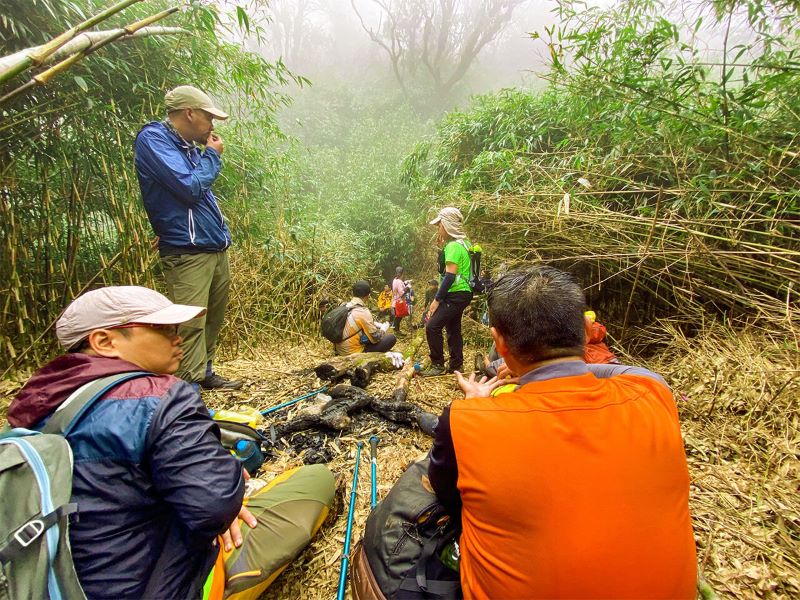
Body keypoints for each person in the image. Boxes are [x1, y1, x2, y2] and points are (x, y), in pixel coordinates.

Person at [5, 286, 335, 599]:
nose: (178, 337)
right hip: (162, 587)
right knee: (316, 479)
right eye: (162, 329)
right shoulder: (159, 396)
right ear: (105, 341)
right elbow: (214, 505)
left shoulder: (37, 405)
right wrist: (225, 493)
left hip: (58, 581)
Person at [426, 266, 696, 598]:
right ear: (587, 330)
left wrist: (482, 398)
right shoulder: (654, 393)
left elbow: (446, 492)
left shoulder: (465, 419)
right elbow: (638, 372)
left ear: (499, 343)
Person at [134, 85, 241, 390]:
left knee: (212, 318)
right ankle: (186, 386)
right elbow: (190, 188)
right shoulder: (154, 139)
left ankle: (204, 371)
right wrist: (213, 157)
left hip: (212, 246)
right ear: (190, 113)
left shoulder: (187, 147)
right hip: (187, 250)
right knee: (189, 322)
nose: (212, 125)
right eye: (209, 117)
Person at [480, 309, 620, 377]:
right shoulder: (599, 343)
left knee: (495, 365)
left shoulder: (543, 344)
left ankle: (486, 364)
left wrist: (532, 372)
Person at [421, 207, 473, 376]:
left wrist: (436, 300)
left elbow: (450, 277)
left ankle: (437, 364)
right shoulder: (464, 244)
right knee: (453, 327)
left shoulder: (452, 246)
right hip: (464, 292)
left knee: (432, 326)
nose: (438, 229)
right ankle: (456, 365)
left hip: (456, 293)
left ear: (445, 225)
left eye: (439, 225)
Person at [334, 280, 397, 356]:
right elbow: (375, 339)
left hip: (339, 350)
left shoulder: (344, 306)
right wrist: (383, 328)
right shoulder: (363, 311)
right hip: (353, 353)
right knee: (391, 338)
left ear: (352, 293)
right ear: (368, 295)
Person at [391, 267, 407, 334]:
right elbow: (401, 292)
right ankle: (397, 331)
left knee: (397, 317)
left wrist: (405, 283)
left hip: (395, 301)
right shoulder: (399, 282)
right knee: (399, 317)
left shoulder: (395, 280)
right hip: (399, 302)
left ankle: (396, 330)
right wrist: (408, 287)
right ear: (402, 273)